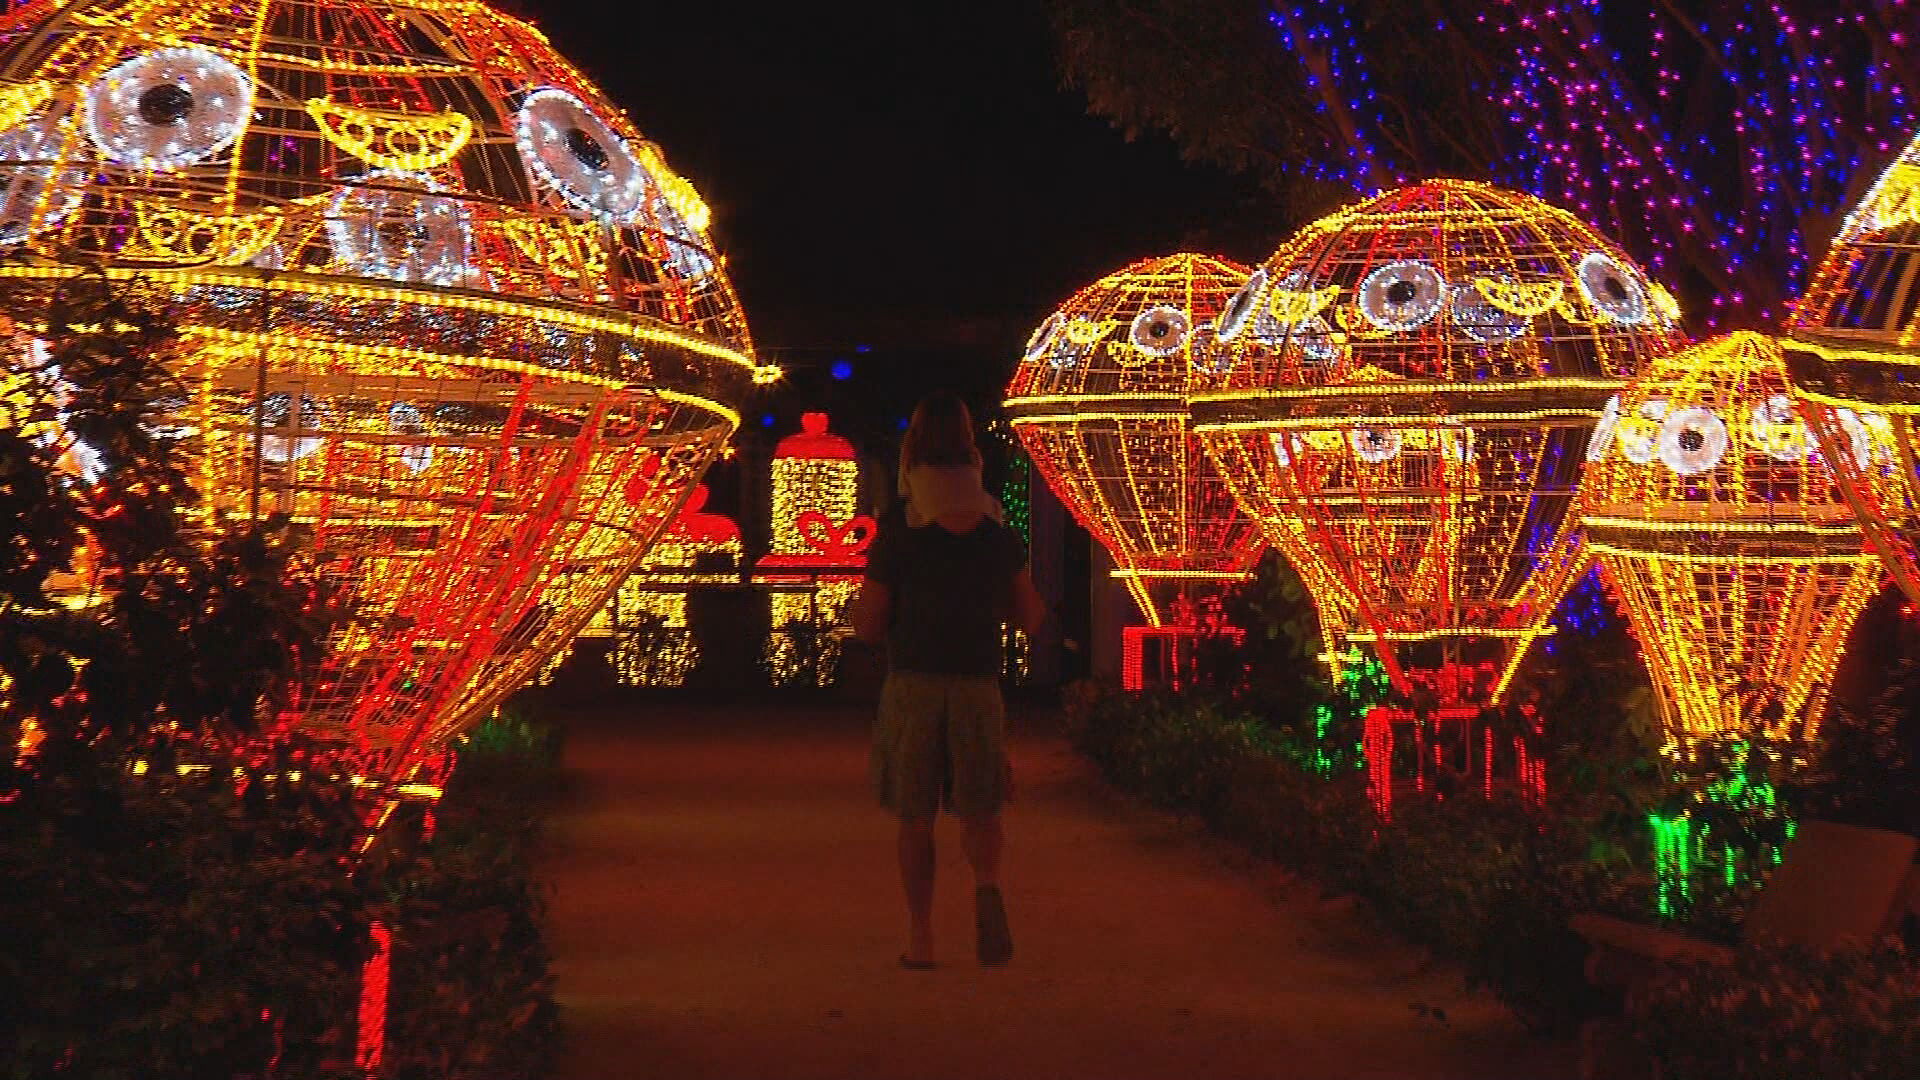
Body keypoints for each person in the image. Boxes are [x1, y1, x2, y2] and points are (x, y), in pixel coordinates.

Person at [852, 392, 1045, 970]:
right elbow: (1033, 615)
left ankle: (922, 936)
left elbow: (869, 623)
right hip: (977, 681)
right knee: (981, 805)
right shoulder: (995, 534)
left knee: (915, 814)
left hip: (913, 681)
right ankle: (986, 887)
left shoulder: (900, 533)